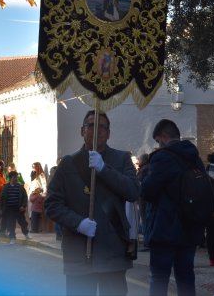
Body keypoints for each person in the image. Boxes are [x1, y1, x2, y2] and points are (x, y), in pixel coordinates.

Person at [45, 110, 140, 296]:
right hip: (79, 252)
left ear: (109, 133)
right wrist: (77, 223)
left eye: (103, 126)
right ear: (82, 131)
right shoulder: (68, 164)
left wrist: (105, 169)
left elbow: (133, 191)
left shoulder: (121, 159)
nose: (97, 130)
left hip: (112, 250)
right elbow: (52, 204)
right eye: (91, 125)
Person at [141, 119, 205, 296]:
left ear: (163, 137)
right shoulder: (195, 158)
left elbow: (147, 191)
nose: (158, 145)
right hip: (190, 227)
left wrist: (145, 178)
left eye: (157, 141)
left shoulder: (162, 158)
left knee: (159, 279)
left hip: (165, 229)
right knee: (185, 277)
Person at [0, 170, 31, 244]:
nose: (16, 179)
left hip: (18, 208)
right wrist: (1, 208)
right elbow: (2, 198)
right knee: (11, 224)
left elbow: (25, 197)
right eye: (14, 177)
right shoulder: (6, 187)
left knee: (23, 222)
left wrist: (23, 206)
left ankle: (26, 234)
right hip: (9, 209)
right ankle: (12, 238)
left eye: (16, 177)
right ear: (10, 178)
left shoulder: (20, 187)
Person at [136, 152, 150, 248]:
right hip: (146, 198)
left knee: (144, 219)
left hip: (143, 199)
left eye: (139, 159)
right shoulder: (148, 168)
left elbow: (138, 183)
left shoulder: (144, 170)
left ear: (144, 160)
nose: (138, 161)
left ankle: (146, 242)